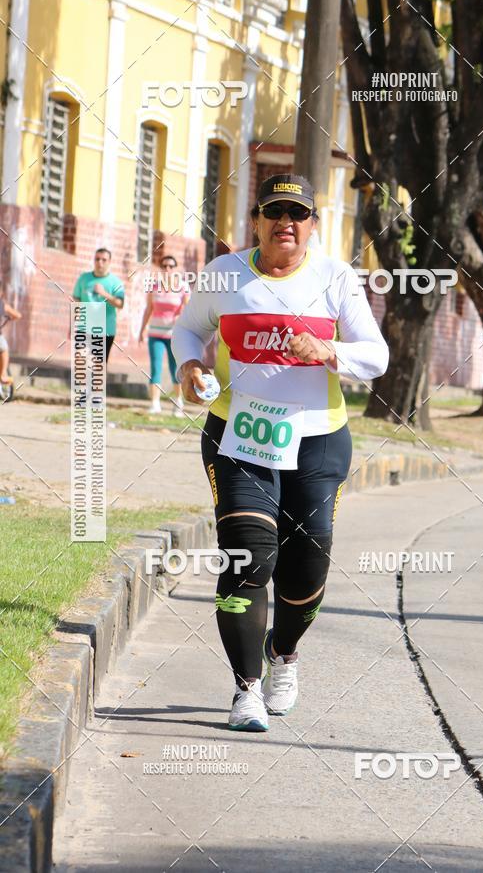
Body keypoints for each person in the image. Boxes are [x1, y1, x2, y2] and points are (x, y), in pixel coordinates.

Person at [172, 173, 388, 732]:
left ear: (313, 225)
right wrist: (190, 364)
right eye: (275, 212)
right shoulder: (224, 275)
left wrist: (327, 349)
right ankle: (245, 689)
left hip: (317, 439)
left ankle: (283, 654)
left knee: (305, 566)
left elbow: (376, 356)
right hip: (237, 437)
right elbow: (189, 331)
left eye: (298, 214)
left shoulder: (335, 277)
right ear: (257, 220)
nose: (285, 223)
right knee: (249, 555)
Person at [138, 255, 188, 416]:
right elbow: (148, 309)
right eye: (164, 266)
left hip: (175, 335)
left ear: (175, 269)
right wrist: (142, 330)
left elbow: (188, 308)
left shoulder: (182, 286)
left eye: (171, 266)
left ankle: (178, 402)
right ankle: (155, 404)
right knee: (155, 367)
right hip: (155, 333)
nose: (167, 269)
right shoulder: (154, 286)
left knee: (176, 369)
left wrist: (180, 316)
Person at [71, 248, 125, 362]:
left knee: (97, 367)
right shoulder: (84, 278)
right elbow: (76, 301)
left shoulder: (115, 282)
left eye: (104, 260)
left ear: (109, 262)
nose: (100, 262)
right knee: (80, 360)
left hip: (106, 330)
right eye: (97, 259)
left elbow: (120, 304)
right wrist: (72, 325)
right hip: (84, 327)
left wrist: (104, 293)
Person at [0, 285, 22, 385]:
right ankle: (2, 375)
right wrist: (10, 317)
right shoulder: (3, 305)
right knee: (3, 348)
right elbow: (18, 315)